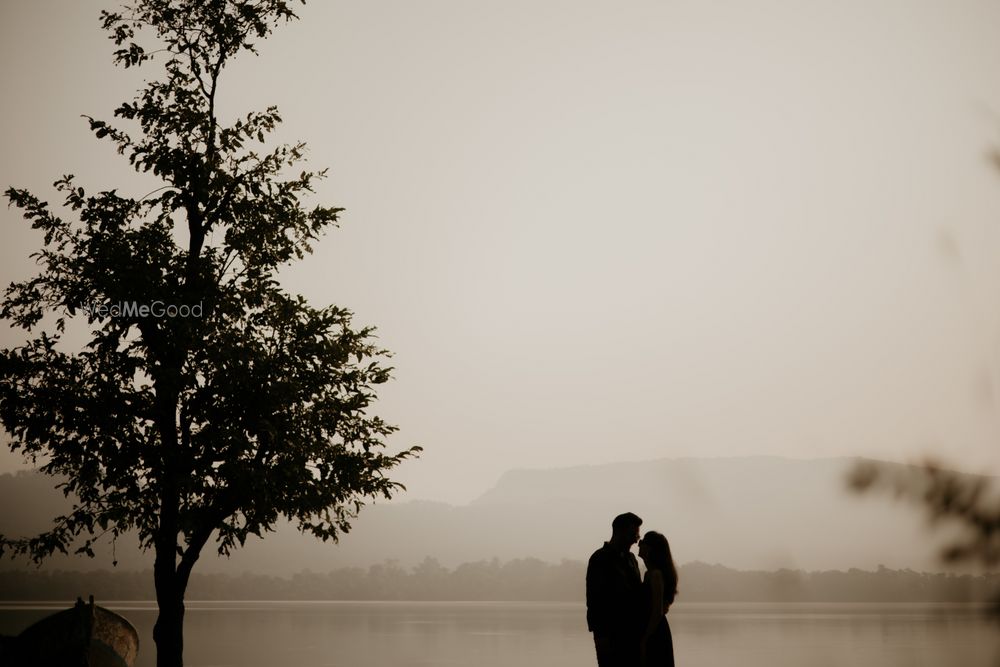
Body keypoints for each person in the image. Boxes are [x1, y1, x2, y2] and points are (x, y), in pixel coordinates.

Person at [586, 512, 644, 667]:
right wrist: (600, 637)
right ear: (620, 531)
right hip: (609, 635)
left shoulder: (632, 560)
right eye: (634, 533)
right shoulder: (600, 558)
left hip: (633, 633)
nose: (636, 538)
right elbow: (594, 599)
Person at [636, 531, 678, 667]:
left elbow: (657, 612)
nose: (638, 544)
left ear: (650, 549)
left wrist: (645, 639)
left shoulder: (655, 575)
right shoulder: (649, 573)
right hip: (653, 629)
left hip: (655, 632)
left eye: (642, 542)